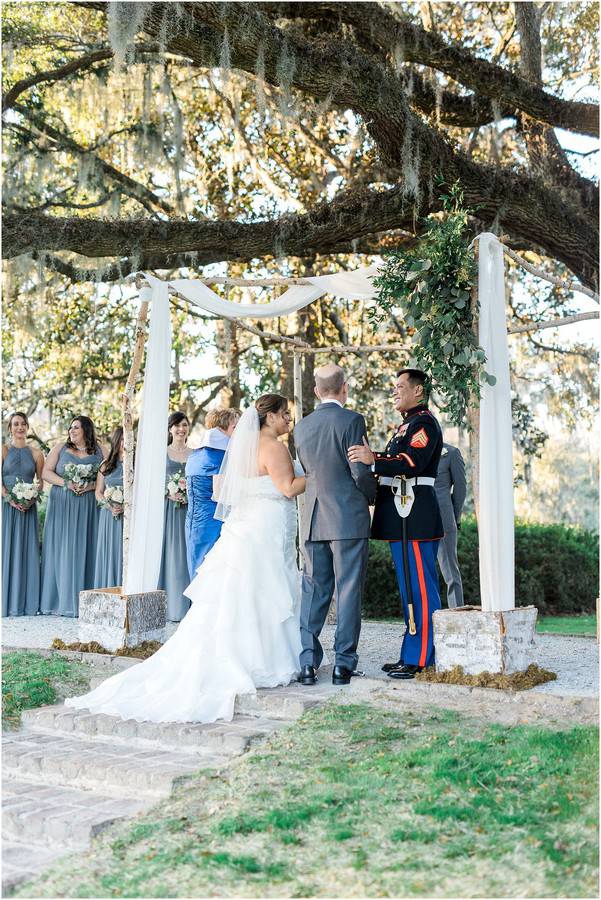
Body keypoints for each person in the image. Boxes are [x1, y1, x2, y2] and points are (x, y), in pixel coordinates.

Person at [65, 394, 306, 724]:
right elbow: (289, 488)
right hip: (265, 526)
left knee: (243, 590)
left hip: (247, 525)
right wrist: (318, 474)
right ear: (271, 417)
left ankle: (245, 653)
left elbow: (227, 490)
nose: (288, 419)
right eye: (284, 414)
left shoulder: (243, 448)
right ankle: (264, 659)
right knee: (264, 588)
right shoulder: (273, 447)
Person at [348, 368, 443, 679]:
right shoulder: (406, 425)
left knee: (421, 591)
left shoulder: (423, 423)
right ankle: (411, 653)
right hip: (402, 515)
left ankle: (422, 658)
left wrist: (373, 458)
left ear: (418, 391)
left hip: (414, 517)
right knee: (409, 590)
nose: (395, 391)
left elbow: (412, 463)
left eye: (401, 386)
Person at [293, 363, 376, 686]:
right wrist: (372, 496)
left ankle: (307, 664)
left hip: (313, 518)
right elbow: (359, 471)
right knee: (348, 590)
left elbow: (309, 470)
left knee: (313, 591)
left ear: (316, 391)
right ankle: (343, 664)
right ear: (345, 388)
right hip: (347, 518)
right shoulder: (352, 421)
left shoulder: (302, 427)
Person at [40, 416, 105, 617]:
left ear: (86, 429)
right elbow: (46, 473)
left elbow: (110, 473)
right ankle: (61, 600)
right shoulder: (60, 448)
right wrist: (67, 483)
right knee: (63, 549)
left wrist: (92, 486)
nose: (72, 430)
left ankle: (88, 599)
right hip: (62, 505)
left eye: (76, 427)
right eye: (70, 427)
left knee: (88, 547)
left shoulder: (101, 450)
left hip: (89, 507)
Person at [185, 407, 241, 579]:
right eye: (235, 427)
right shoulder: (219, 456)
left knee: (198, 570)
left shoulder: (195, 455)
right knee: (212, 574)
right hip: (214, 522)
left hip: (193, 523)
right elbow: (222, 495)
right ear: (221, 429)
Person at [2, 411, 44, 616]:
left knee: (26, 551)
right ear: (10, 428)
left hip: (28, 508)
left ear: (27, 427)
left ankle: (26, 603)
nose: (20, 427)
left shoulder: (36, 454)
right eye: (16, 424)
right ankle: (5, 601)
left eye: (23, 424)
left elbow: (40, 483)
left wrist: (31, 499)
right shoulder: (3, 450)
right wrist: (10, 499)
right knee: (5, 549)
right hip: (6, 507)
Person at [159, 412, 192, 622]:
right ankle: (166, 606)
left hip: (189, 510)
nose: (181, 429)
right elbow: (152, 481)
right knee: (169, 553)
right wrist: (167, 492)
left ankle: (186, 607)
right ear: (170, 428)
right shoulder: (161, 453)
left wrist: (188, 494)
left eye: (185, 425)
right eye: (177, 425)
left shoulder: (194, 453)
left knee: (186, 554)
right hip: (167, 510)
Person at [434, 442, 467, 608]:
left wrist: (454, 517)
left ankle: (457, 614)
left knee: (450, 573)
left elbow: (460, 489)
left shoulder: (451, 453)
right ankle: (427, 615)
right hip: (417, 521)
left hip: (444, 520)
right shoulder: (414, 453)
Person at [94, 426, 124, 589]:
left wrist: (126, 505)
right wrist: (109, 506)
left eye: (128, 439)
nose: (125, 443)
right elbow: (98, 492)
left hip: (129, 517)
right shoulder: (106, 465)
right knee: (110, 552)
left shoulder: (136, 464)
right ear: (116, 441)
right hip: (109, 516)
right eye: (122, 439)